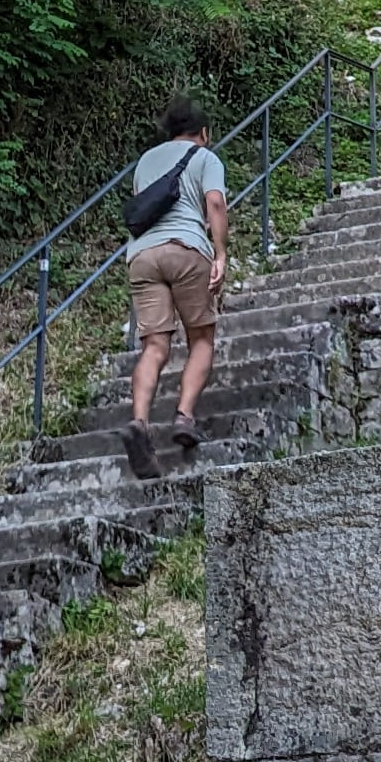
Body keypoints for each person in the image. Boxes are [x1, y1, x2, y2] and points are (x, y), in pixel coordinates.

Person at [122, 95, 228, 477]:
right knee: (201, 337)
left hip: (142, 256)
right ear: (203, 132)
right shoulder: (205, 157)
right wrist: (220, 254)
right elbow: (214, 204)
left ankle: (138, 422)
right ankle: (183, 416)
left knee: (154, 345)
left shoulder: (146, 161)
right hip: (186, 249)